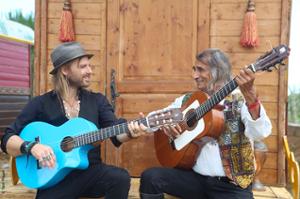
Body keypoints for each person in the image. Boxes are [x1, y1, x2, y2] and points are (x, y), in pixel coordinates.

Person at [0, 41, 147, 199]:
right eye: (83, 67)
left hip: (91, 172)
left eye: (89, 66)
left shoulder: (97, 101)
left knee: (120, 178)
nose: (90, 71)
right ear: (65, 70)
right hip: (53, 177)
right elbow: (7, 139)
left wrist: (131, 132)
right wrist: (32, 147)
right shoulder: (41, 104)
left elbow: (116, 133)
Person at [139, 48, 272, 199]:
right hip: (195, 180)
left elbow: (260, 133)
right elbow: (153, 120)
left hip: (231, 187)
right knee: (151, 177)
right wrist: (166, 125)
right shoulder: (188, 100)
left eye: (200, 70)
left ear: (218, 72)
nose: (194, 75)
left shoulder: (240, 100)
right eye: (194, 69)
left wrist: (252, 98)